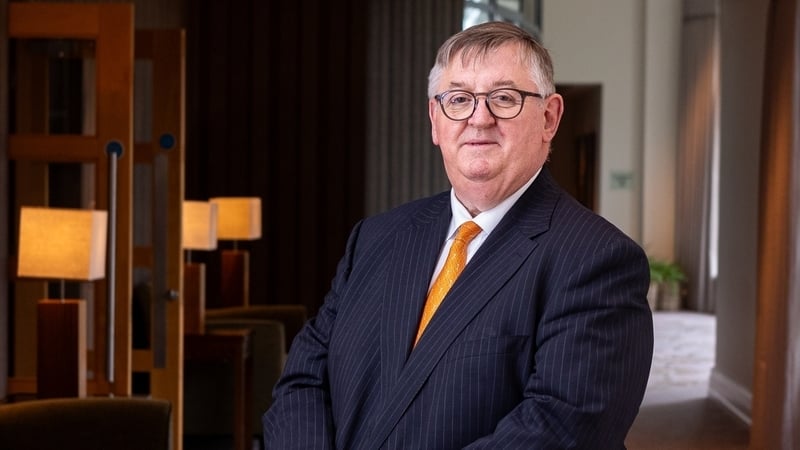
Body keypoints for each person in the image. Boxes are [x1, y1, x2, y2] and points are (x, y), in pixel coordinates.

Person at [263, 21, 653, 449]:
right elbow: (303, 378)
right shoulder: (375, 238)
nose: (478, 118)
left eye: (504, 98)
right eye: (459, 99)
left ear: (548, 118)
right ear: (435, 119)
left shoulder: (597, 259)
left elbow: (562, 428)